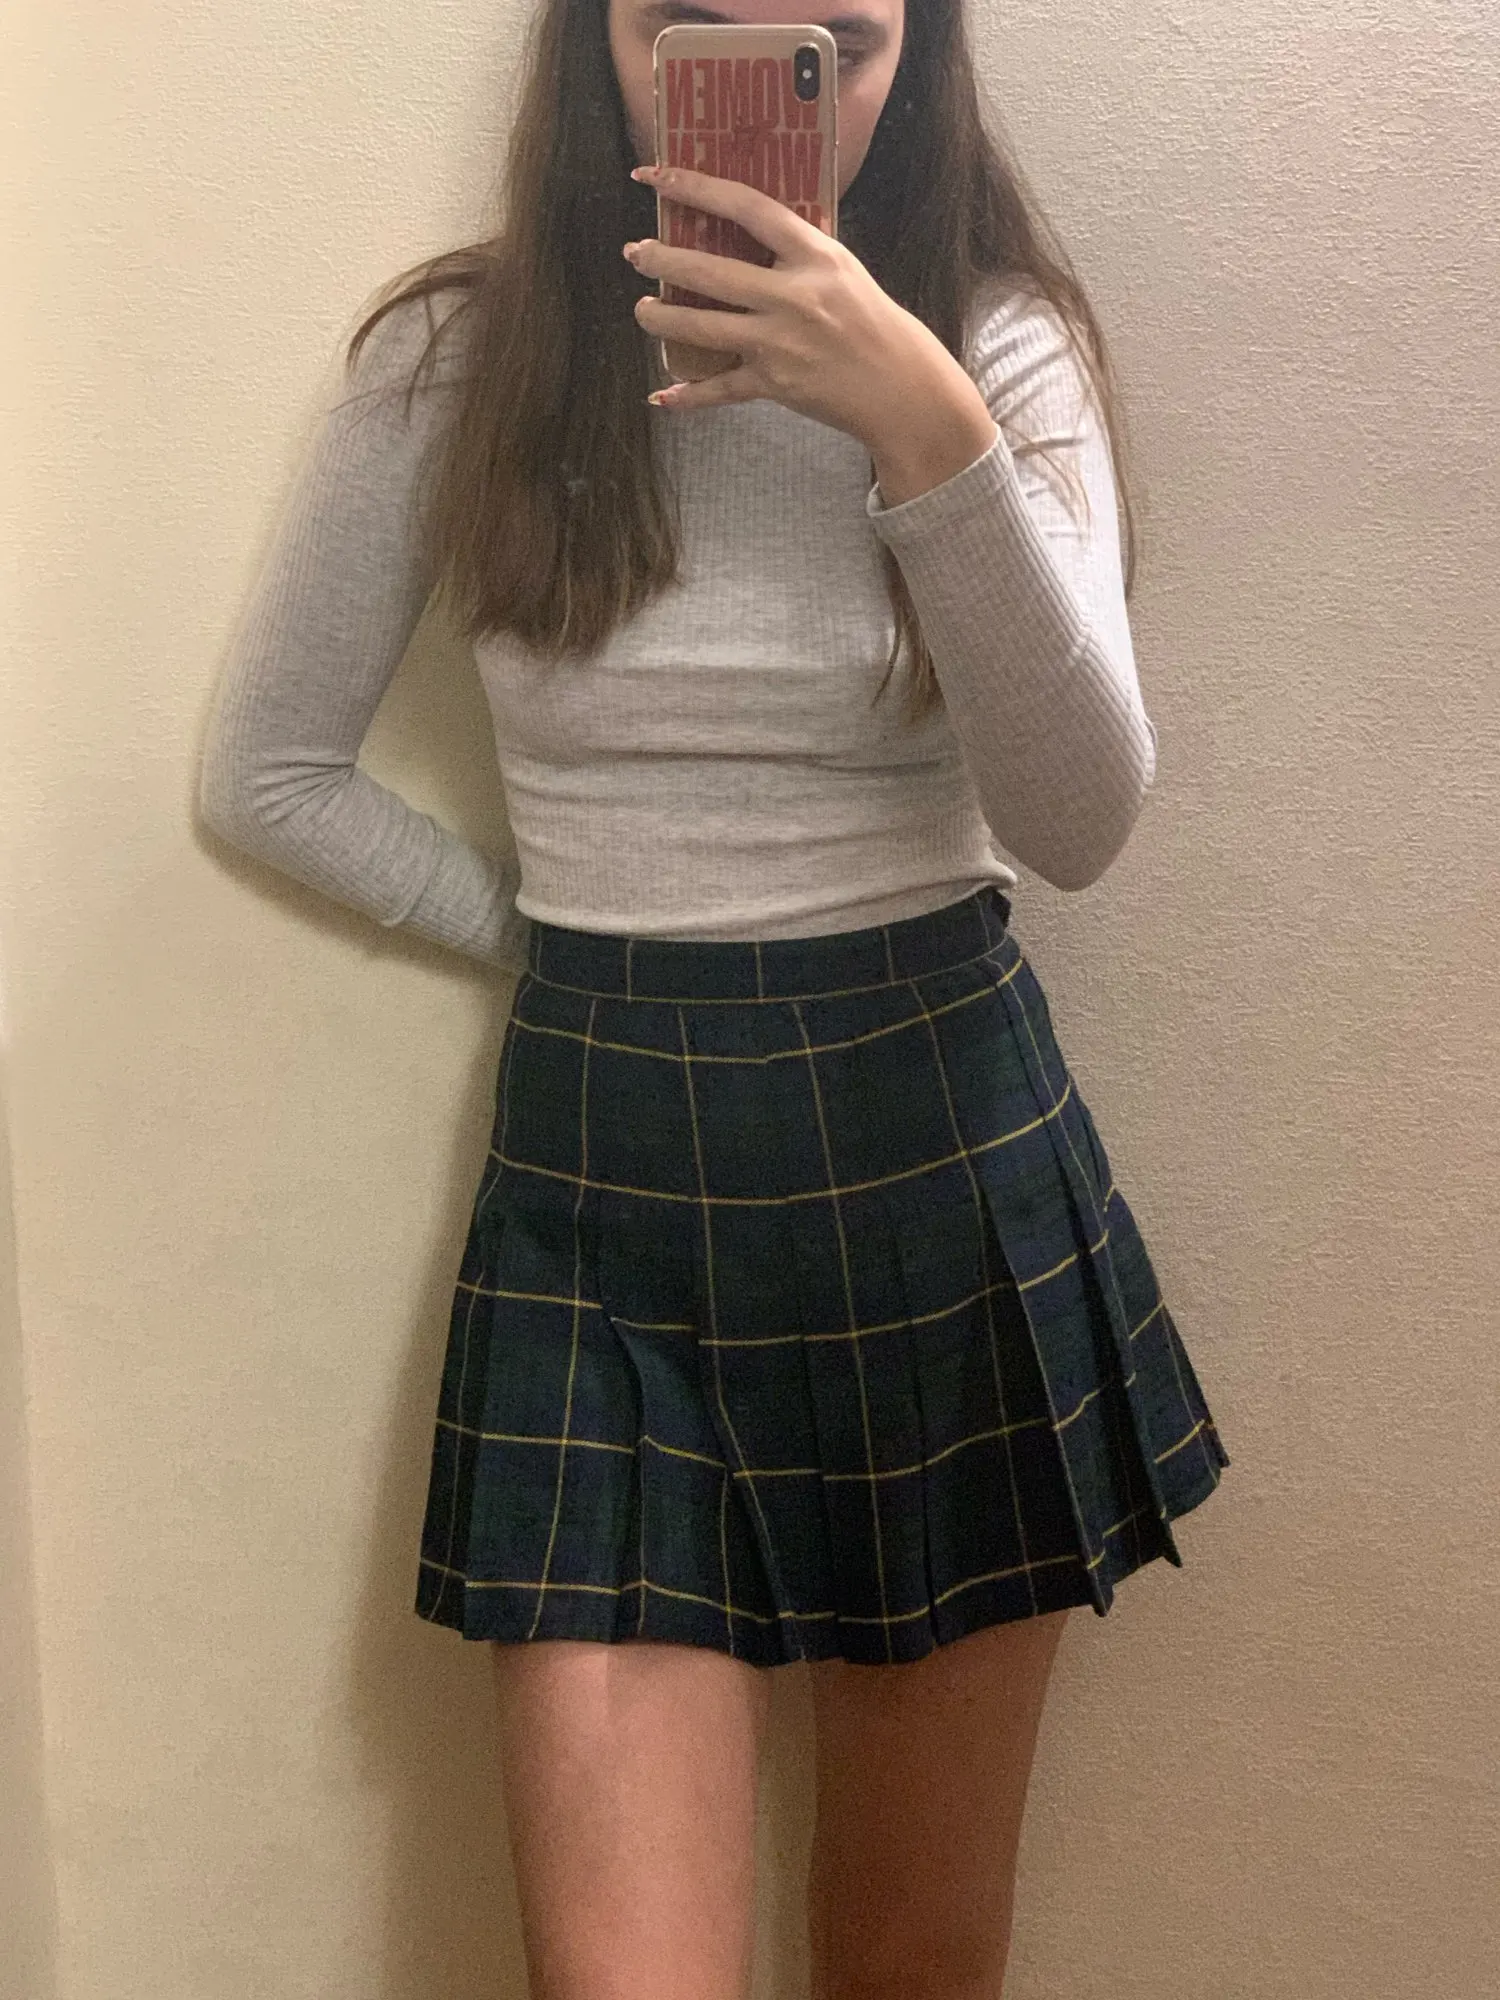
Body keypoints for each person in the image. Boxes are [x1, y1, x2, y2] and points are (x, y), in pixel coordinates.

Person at [198, 2, 1231, 1994]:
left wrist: (923, 429)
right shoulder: (468, 357)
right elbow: (271, 773)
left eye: (838, 41)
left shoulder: (996, 346)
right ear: (603, 36)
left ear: (917, 52)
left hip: (942, 1164)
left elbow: (1084, 819)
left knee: (910, 1967)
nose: (780, 88)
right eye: (699, 29)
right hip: (604, 1195)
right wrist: (566, 936)